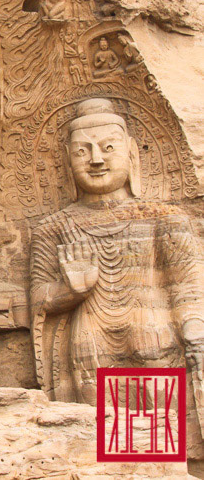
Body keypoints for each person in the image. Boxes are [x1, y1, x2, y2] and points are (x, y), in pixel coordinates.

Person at [30, 98, 204, 447]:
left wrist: (195, 332)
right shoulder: (53, 227)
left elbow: (188, 289)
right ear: (67, 161)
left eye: (108, 148)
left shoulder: (165, 218)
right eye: (82, 151)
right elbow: (38, 298)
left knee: (161, 449)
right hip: (89, 352)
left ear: (132, 153)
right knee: (102, 450)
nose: (96, 159)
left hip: (158, 346)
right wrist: (69, 291)